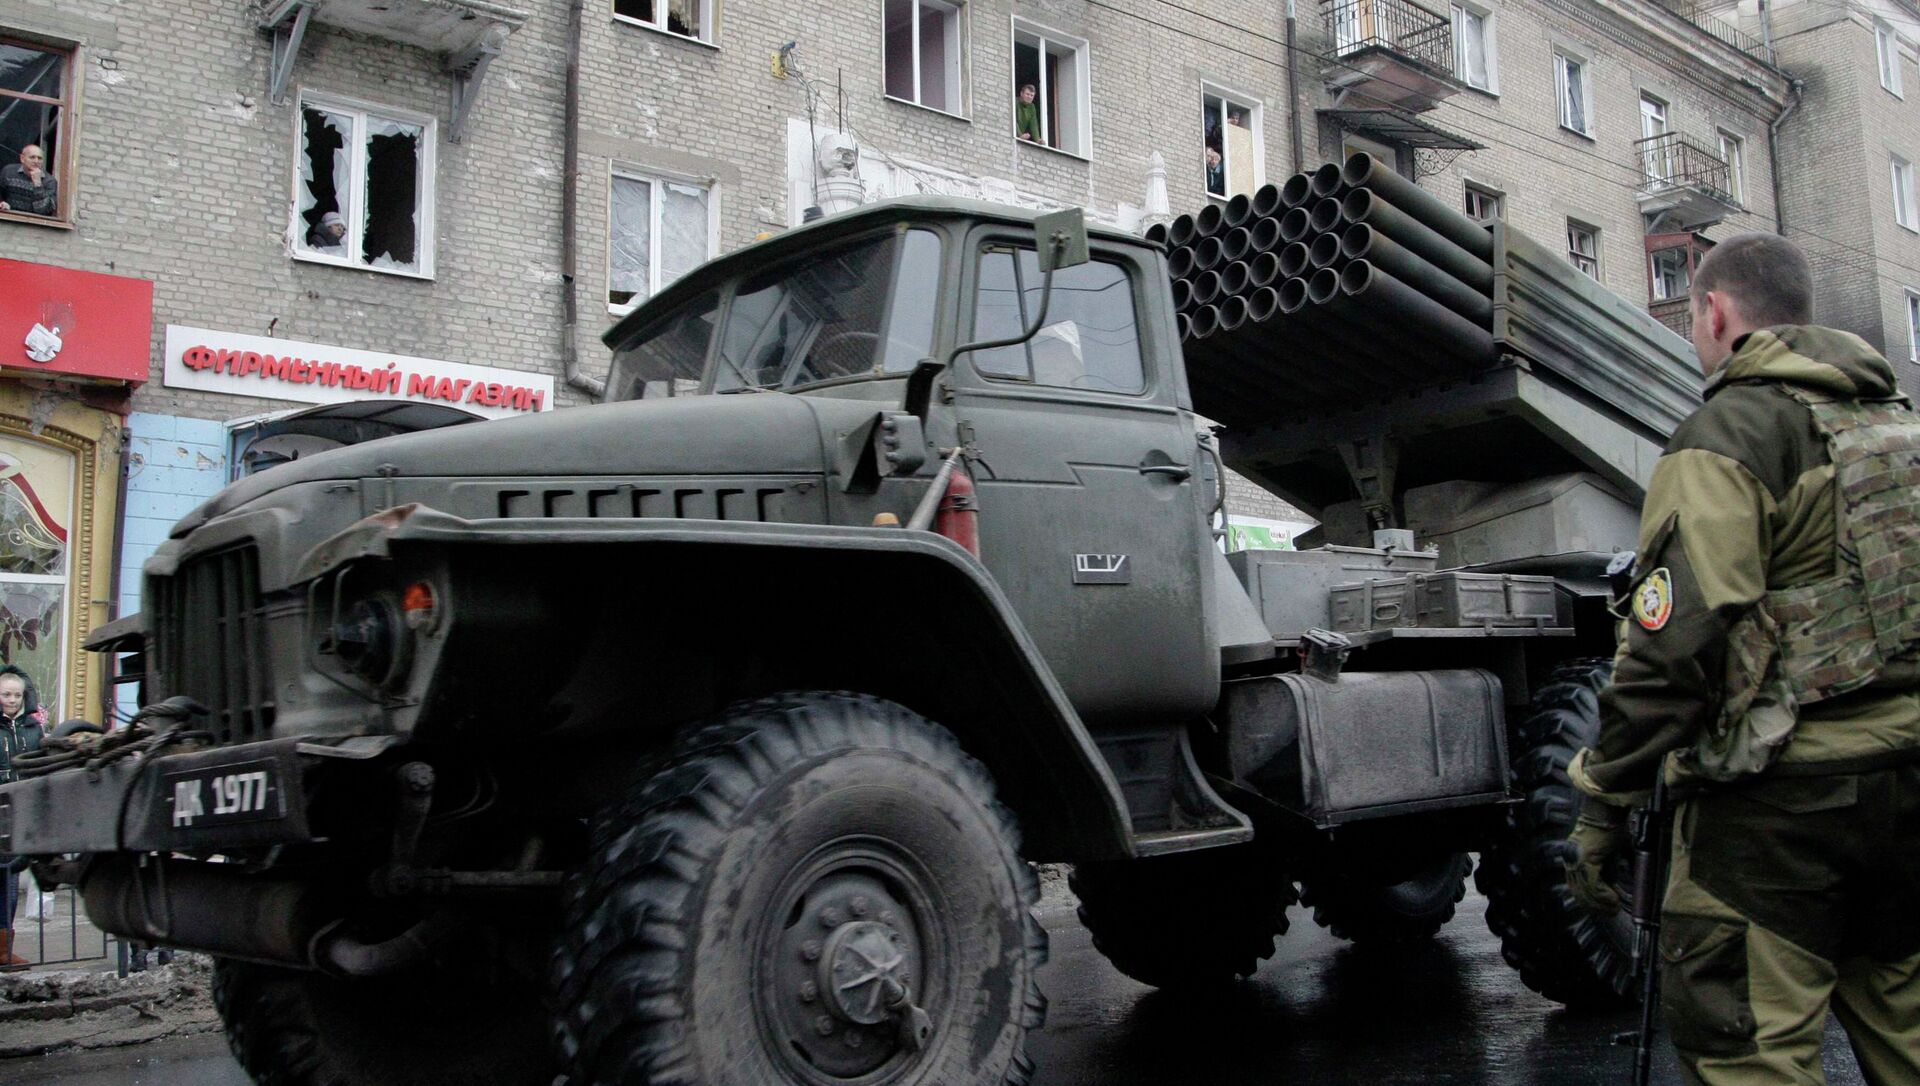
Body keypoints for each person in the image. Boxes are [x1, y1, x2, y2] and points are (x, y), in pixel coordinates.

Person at [1563, 233, 1920, 1084]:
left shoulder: (1728, 434)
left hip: (1777, 814)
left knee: (1752, 1055)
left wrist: (1601, 803)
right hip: (1909, 788)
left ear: (1715, 312)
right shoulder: (1901, 428)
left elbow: (1674, 648)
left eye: (1693, 319)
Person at [0, 665, 45, 972]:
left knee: (10, 882)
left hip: (20, 812)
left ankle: (4, 949)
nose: (12, 700)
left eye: (17, 695)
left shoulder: (33, 728)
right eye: (6, 694)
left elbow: (40, 765)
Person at [0, 145, 57, 218]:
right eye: (32, 157)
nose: (36, 161)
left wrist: (38, 184)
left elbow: (43, 211)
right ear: (22, 158)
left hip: (33, 223)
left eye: (39, 158)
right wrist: (1, 203)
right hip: (9, 218)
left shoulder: (49, 181)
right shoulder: (8, 171)